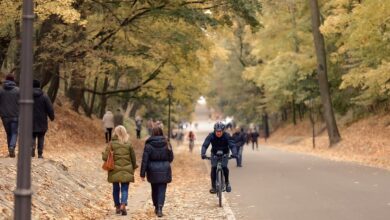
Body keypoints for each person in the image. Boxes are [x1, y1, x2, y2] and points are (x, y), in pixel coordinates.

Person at [102, 126, 138, 216]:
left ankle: (117, 206)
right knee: (125, 188)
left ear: (115, 133)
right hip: (126, 169)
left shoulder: (111, 144)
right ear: (125, 133)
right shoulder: (128, 144)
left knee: (115, 188)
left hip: (114, 169)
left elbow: (105, 157)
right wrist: (133, 166)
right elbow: (133, 158)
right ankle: (123, 204)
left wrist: (105, 153)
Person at [140, 127, 174, 217]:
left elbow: (145, 160)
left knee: (154, 189)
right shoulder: (167, 143)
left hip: (152, 170)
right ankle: (160, 208)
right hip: (164, 169)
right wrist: (165, 163)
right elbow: (171, 157)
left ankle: (156, 206)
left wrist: (142, 174)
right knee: (162, 190)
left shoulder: (148, 145)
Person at [201, 122, 237, 194]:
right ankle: (213, 186)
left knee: (224, 166)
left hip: (225, 153)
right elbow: (205, 145)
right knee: (214, 167)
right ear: (215, 130)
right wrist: (203, 153)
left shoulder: (227, 136)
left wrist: (234, 153)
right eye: (217, 131)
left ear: (223, 131)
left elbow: (232, 145)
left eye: (220, 131)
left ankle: (227, 183)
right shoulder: (211, 136)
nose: (218, 133)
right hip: (214, 153)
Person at [31, 80, 55, 158]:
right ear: (39, 86)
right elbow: (50, 108)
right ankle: (40, 153)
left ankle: (32, 148)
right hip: (42, 121)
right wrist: (52, 117)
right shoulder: (44, 96)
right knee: (41, 136)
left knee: (32, 135)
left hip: (30, 120)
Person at [0, 74, 19, 158]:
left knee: (9, 133)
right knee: (14, 132)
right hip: (15, 115)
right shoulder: (18, 90)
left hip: (4, 116)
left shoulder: (1, 90)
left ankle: (10, 150)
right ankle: (12, 147)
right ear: (13, 80)